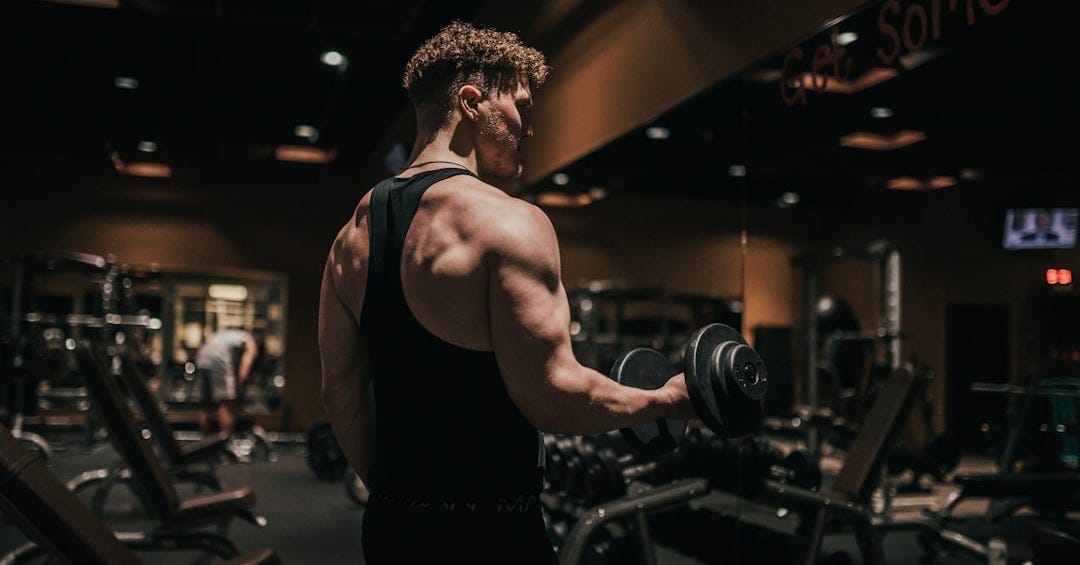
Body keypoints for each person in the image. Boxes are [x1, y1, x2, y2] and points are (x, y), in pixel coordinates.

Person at [318, 21, 693, 563]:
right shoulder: (509, 223)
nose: (528, 127)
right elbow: (553, 397)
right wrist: (666, 401)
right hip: (492, 534)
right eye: (521, 106)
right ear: (472, 103)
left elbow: (340, 394)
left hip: (390, 529)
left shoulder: (350, 239)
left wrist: (394, 494)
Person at [195, 327, 257, 436]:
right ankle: (226, 439)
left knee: (205, 405)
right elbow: (248, 359)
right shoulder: (248, 338)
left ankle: (204, 438)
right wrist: (240, 381)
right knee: (226, 403)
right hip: (218, 360)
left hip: (202, 359)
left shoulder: (224, 334)